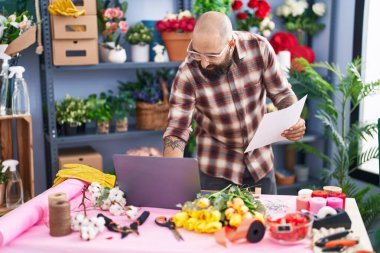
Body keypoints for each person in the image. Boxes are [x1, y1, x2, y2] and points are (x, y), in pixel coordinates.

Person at [162, 11, 306, 194]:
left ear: (230, 44)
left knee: (265, 222)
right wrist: (169, 176)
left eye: (212, 56)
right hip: (216, 172)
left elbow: (282, 93)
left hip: (260, 166)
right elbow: (176, 130)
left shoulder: (259, 48)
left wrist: (292, 119)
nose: (204, 63)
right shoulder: (187, 73)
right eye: (197, 53)